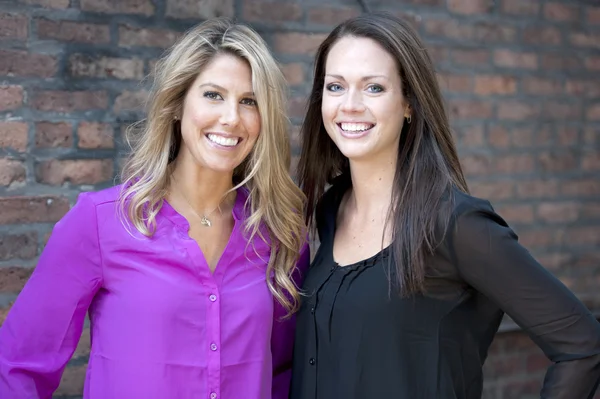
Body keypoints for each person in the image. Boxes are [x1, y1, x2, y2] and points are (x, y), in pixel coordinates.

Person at [290, 12, 600, 399]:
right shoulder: (330, 211)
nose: (349, 105)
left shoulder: (456, 225)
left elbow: (581, 344)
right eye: (335, 87)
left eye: (373, 88)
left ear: (409, 104)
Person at [0, 18, 309, 399]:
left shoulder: (279, 233)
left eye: (249, 101)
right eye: (213, 95)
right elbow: (19, 367)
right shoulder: (100, 222)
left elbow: (283, 371)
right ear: (178, 105)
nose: (231, 117)